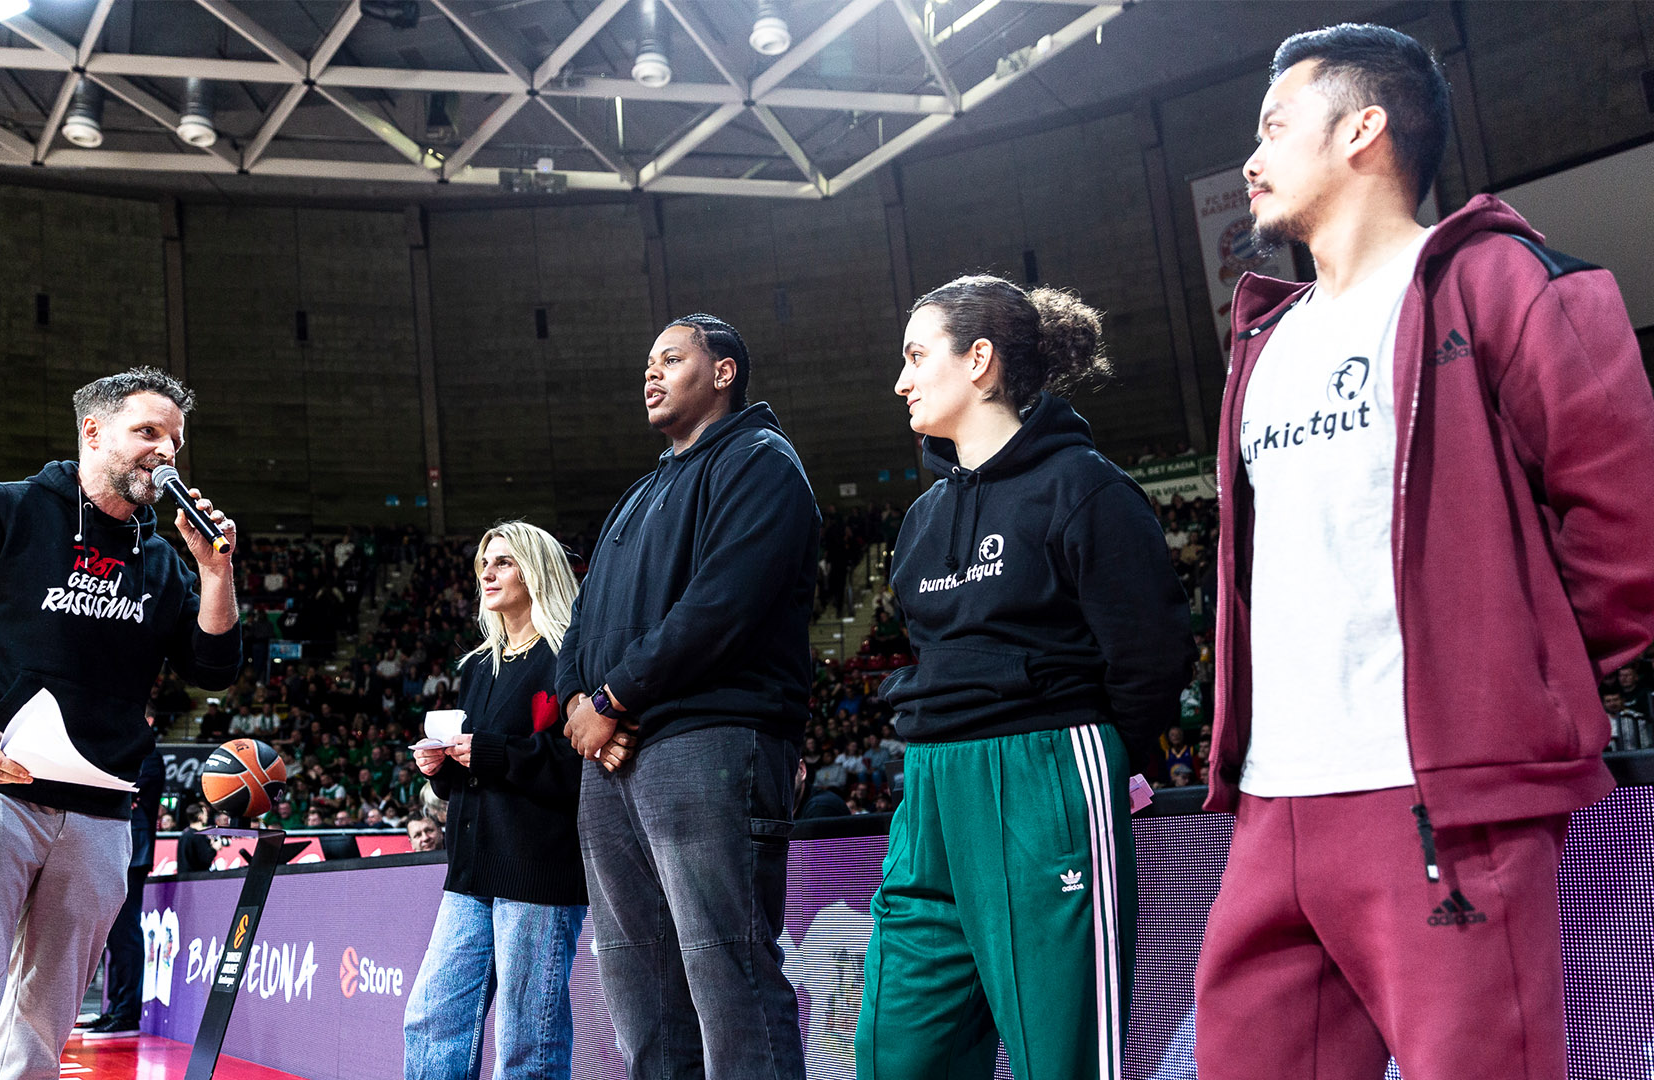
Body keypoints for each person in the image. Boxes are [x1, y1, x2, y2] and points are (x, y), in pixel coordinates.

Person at [1195, 25, 1654, 1080]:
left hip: (1440, 802)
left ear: (1365, 128)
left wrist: (1509, 695)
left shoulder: (1501, 281)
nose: (1251, 160)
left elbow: (1627, 533)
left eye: (1273, 126)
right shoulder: (1263, 339)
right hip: (1272, 807)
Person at [855, 274, 1195, 1080]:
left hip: (1045, 776)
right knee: (897, 1057)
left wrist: (1106, 770)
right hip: (932, 788)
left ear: (980, 360)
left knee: (1063, 1061)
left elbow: (1150, 657)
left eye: (914, 356)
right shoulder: (920, 520)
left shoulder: (1085, 487)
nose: (900, 380)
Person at [0, 367, 242, 1079]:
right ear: (93, 431)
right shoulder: (1, 512)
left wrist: (216, 574)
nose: (165, 451)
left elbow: (213, 669)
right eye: (147, 432)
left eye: (174, 440)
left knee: (43, 1031)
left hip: (101, 814)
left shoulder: (165, 561)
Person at [559, 313, 818, 1080]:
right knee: (642, 992)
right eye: (648, 363)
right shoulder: (638, 494)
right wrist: (580, 703)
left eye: (670, 358)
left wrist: (610, 699)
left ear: (725, 371)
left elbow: (721, 606)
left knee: (726, 978)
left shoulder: (762, 462)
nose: (651, 373)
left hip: (711, 740)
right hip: (611, 759)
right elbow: (581, 624)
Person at [405, 521, 588, 1080]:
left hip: (538, 867)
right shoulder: (477, 665)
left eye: (504, 562)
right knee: (431, 1018)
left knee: (525, 1041)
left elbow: (581, 765)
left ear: (537, 571)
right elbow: (475, 766)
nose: (487, 572)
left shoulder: (569, 657)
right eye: (485, 562)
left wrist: (489, 753)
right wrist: (441, 768)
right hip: (469, 869)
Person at [83, 730, 166, 1041]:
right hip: (110, 845)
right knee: (112, 936)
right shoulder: (119, 747)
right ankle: (114, 1007)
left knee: (125, 933)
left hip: (134, 850)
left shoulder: (149, 755)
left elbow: (127, 792)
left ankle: (126, 1013)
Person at [178, 802, 217, 874]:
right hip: (196, 878)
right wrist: (214, 849)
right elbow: (205, 859)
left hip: (183, 877)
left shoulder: (184, 835)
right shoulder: (198, 836)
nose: (207, 817)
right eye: (205, 814)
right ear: (200, 816)